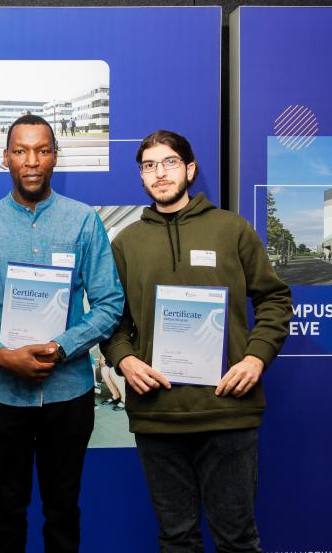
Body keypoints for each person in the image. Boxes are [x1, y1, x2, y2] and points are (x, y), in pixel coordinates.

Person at [103, 130, 292, 553]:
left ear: (190, 169)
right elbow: (110, 320)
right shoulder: (125, 243)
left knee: (237, 540)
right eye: (149, 165)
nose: (160, 173)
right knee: (176, 540)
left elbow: (275, 299)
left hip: (228, 411)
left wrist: (256, 359)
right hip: (158, 415)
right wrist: (126, 361)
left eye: (169, 162)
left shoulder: (233, 230)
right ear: (141, 176)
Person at [0, 114, 124, 552]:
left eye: (42, 150)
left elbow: (109, 303)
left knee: (63, 510)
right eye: (20, 151)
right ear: (6, 158)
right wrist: (1, 355)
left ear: (54, 156)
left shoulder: (84, 222)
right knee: (7, 509)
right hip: (2, 394)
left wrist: (62, 346)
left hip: (67, 395)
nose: (31, 161)